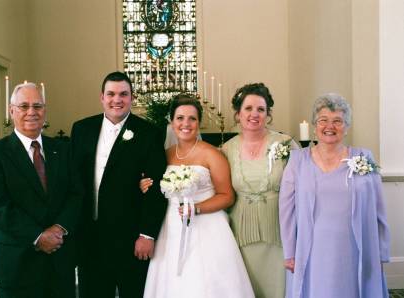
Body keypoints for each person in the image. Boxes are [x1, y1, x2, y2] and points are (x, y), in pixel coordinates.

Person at [140, 94, 254, 298]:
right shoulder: (164, 154)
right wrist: (143, 184)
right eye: (180, 118)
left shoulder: (212, 154)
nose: (186, 123)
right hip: (171, 227)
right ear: (171, 121)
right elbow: (156, 188)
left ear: (199, 122)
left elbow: (227, 196)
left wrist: (197, 208)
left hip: (208, 227)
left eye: (192, 118)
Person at [279, 93, 390, 298]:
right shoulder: (297, 161)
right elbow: (286, 211)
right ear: (314, 125)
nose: (330, 126)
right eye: (323, 120)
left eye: (338, 121)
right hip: (312, 249)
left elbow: (378, 209)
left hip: (354, 248)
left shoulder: (363, 158)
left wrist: (382, 251)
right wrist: (290, 252)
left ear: (346, 127)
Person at [0, 82, 81, 298]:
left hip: (59, 263)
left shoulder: (63, 149)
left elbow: (76, 194)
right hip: (17, 264)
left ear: (45, 110)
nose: (31, 112)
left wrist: (59, 228)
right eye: (24, 106)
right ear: (11, 110)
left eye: (38, 106)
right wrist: (38, 236)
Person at [70, 71, 167, 298]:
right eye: (111, 94)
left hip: (130, 238)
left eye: (123, 94)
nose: (117, 100)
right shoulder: (82, 129)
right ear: (101, 97)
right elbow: (73, 180)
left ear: (132, 97)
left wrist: (147, 234)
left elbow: (157, 187)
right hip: (89, 237)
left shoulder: (149, 133)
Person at [221, 82, 298, 298]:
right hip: (242, 229)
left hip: (279, 228)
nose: (254, 114)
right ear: (238, 114)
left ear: (268, 114)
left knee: (278, 286)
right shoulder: (227, 149)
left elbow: (302, 187)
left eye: (261, 109)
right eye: (248, 108)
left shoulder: (285, 143)